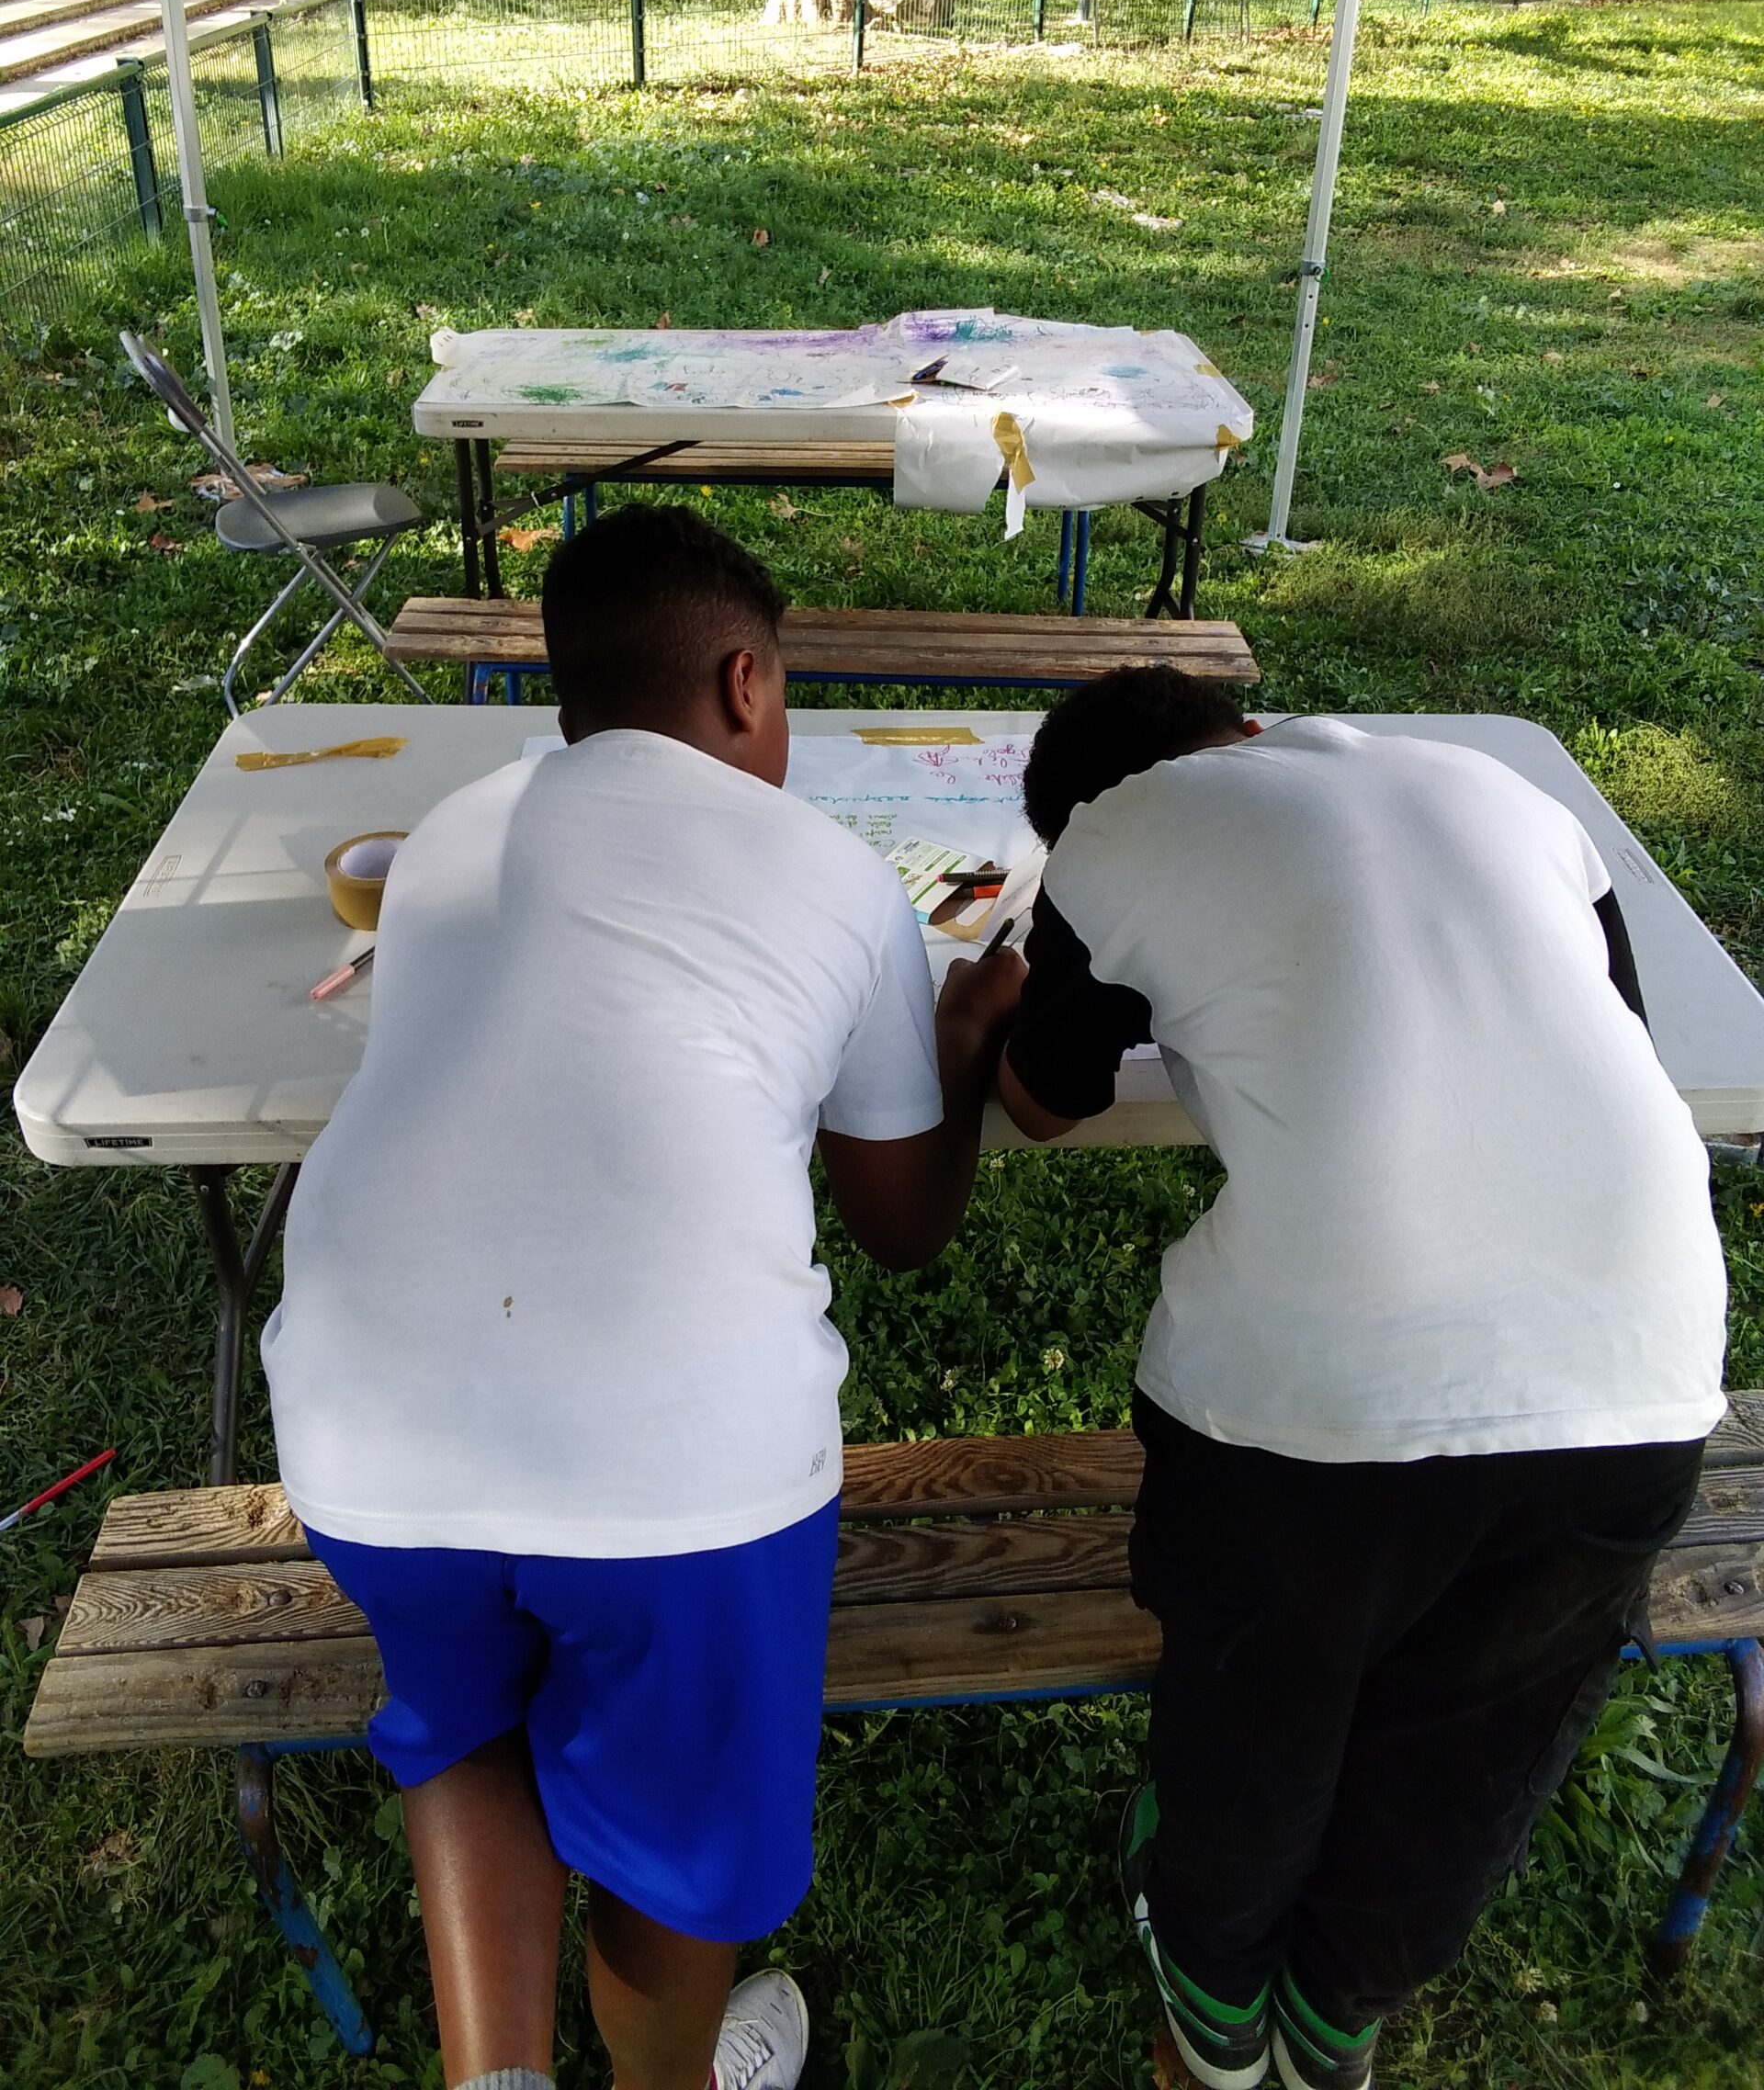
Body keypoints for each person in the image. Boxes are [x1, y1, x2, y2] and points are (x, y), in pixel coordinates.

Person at [261, 507, 1025, 2090]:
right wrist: (954, 1054)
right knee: (677, 1856)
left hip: (361, 1430)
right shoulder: (832, 873)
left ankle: (499, 2081)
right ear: (747, 682)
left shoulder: (459, 832)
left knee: (470, 1722)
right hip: (681, 1473)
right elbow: (901, 1227)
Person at [996, 671, 1727, 2090]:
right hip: (1640, 1369)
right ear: (1250, 733)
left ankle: (1214, 1996)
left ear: (1082, 812)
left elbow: (1046, 1093)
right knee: (1481, 1727)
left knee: (1262, 1691)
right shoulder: (1508, 791)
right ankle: (1344, 2007)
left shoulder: (1108, 842)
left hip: (1313, 1408)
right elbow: (1612, 1037)